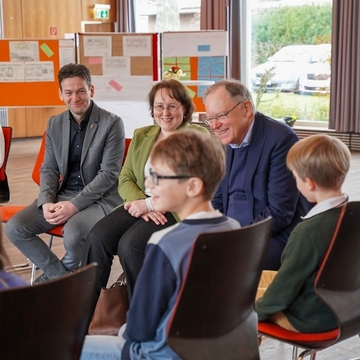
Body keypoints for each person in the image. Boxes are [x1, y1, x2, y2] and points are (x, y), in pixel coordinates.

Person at [80, 129, 240, 360]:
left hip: (161, 353)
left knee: (55, 345)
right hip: (211, 347)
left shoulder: (165, 243)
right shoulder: (233, 228)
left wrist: (124, 330)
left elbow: (139, 330)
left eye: (157, 177)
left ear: (193, 186)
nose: (148, 185)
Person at [81, 79, 209, 298]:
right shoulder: (142, 135)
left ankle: (141, 316)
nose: (165, 112)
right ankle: (86, 311)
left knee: (131, 246)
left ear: (184, 108)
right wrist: (141, 203)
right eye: (159, 106)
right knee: (96, 238)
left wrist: (150, 204)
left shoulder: (197, 136)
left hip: (175, 209)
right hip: (139, 202)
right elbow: (126, 177)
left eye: (172, 106)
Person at [5, 63, 125, 283]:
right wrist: (46, 201)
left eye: (81, 90)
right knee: (15, 228)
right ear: (60, 94)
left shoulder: (112, 123)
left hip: (100, 199)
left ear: (91, 90)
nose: (75, 97)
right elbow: (49, 168)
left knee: (73, 234)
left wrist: (74, 205)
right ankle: (62, 280)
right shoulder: (54, 124)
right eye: (68, 92)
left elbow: (108, 174)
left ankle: (47, 284)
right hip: (62, 194)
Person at [203, 79, 311, 270]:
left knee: (226, 266)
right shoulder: (225, 139)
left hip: (271, 236)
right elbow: (218, 199)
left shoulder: (281, 139)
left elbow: (279, 212)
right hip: (233, 232)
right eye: (210, 118)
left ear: (246, 108)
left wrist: (237, 239)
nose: (214, 126)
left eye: (220, 116)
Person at [255, 134, 350, 333]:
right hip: (347, 308)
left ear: (309, 183)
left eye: (295, 177)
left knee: (239, 303)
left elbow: (282, 292)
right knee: (259, 278)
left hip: (310, 317)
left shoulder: (308, 232)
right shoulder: (353, 214)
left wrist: (255, 313)